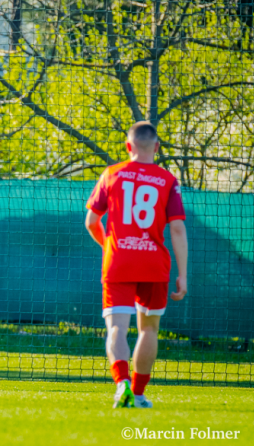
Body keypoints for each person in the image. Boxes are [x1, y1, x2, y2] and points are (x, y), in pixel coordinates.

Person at [85, 121, 188, 408]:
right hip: (154, 264)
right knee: (149, 330)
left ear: (128, 146)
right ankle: (140, 393)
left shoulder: (112, 174)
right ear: (156, 147)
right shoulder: (167, 180)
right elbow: (178, 229)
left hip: (119, 261)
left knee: (117, 327)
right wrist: (183, 274)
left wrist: (109, 247)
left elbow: (92, 222)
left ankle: (122, 385)